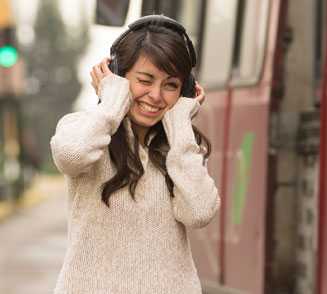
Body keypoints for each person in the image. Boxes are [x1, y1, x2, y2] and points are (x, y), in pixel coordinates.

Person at [50, 15, 220, 294]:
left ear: (185, 91)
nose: (156, 95)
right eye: (145, 80)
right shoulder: (82, 129)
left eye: (171, 85)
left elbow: (199, 213)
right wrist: (111, 103)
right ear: (117, 75)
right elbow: (71, 154)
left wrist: (179, 123)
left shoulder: (183, 149)